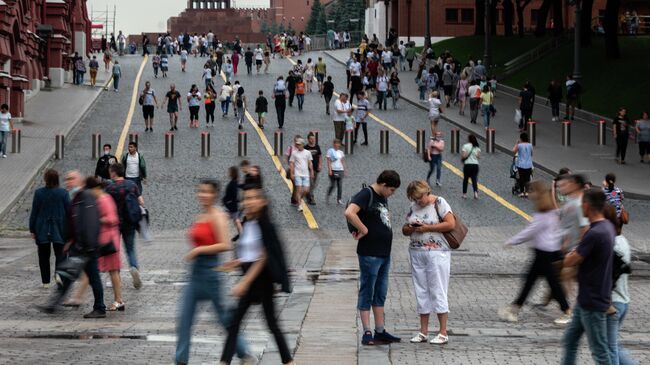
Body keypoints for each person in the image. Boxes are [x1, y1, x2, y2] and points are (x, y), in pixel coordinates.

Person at [176, 180, 255, 365]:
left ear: (215, 195)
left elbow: (226, 244)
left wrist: (198, 250)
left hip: (211, 274)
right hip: (195, 274)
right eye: (201, 192)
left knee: (225, 318)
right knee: (184, 317)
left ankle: (244, 353)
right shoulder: (200, 216)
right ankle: (180, 360)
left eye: (207, 192)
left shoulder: (218, 216)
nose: (203, 195)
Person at [219, 187, 293, 365]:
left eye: (253, 198)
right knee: (235, 323)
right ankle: (224, 362)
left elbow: (264, 255)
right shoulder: (247, 223)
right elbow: (252, 254)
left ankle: (289, 362)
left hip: (262, 281)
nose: (249, 201)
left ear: (262, 202)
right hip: (252, 281)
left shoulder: (265, 225)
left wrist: (244, 282)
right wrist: (237, 262)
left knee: (271, 325)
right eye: (246, 198)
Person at [498, 180, 571, 324]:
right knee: (531, 281)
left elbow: (529, 232)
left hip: (544, 253)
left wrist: (511, 241)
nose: (529, 194)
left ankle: (567, 311)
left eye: (531, 191)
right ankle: (515, 308)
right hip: (546, 252)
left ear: (537, 193)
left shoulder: (543, 215)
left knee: (551, 283)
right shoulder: (552, 211)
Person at [344, 170, 402, 346]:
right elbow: (349, 212)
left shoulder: (382, 196)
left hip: (384, 253)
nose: (392, 194)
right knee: (367, 291)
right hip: (370, 253)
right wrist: (364, 230)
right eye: (391, 190)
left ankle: (380, 330)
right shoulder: (366, 194)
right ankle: (367, 331)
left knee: (380, 293)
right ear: (383, 185)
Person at [37, 171, 106, 319]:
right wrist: (69, 240)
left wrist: (86, 245)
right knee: (68, 276)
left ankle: (100, 308)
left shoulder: (86, 196)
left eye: (71, 179)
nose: (68, 182)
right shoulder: (77, 197)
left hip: (87, 247)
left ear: (79, 181)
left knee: (92, 278)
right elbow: (74, 221)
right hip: (78, 245)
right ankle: (53, 304)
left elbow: (90, 222)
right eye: (66, 179)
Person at [561, 188, 616, 365]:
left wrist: (571, 251)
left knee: (600, 353)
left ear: (586, 206)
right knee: (570, 340)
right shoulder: (607, 227)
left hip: (592, 302)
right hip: (587, 299)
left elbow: (569, 261)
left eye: (581, 204)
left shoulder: (594, 234)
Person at [402, 181, 455, 345]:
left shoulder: (439, 202)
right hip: (417, 251)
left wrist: (428, 228)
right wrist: (410, 228)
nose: (418, 201)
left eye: (420, 198)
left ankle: (443, 332)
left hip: (437, 252)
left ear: (426, 192)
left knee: (438, 288)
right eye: (414, 198)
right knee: (421, 291)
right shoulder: (414, 206)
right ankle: (423, 331)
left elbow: (450, 224)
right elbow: (404, 229)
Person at [65, 177, 125, 312]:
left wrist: (96, 219)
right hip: (100, 241)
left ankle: (118, 300)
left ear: (95, 189)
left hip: (108, 242)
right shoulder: (99, 199)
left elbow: (113, 219)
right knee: (92, 270)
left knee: (111, 271)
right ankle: (78, 297)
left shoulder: (105, 199)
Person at [604, 206, 636, 365]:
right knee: (613, 345)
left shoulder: (612, 246)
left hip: (613, 303)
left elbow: (608, 277)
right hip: (623, 301)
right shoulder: (623, 241)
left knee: (609, 348)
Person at [105, 164, 144, 290]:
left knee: (114, 251)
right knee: (130, 248)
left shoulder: (109, 187)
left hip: (114, 224)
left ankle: (116, 278)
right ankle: (133, 267)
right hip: (130, 222)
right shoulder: (132, 185)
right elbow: (141, 202)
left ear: (114, 173)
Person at [29, 169, 70, 287]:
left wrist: (32, 229)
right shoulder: (63, 193)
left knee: (43, 256)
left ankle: (45, 281)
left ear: (45, 179)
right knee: (60, 254)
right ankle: (59, 274)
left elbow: (34, 212)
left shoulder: (39, 193)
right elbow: (68, 212)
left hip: (42, 227)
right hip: (59, 227)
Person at [289, 138, 314, 212]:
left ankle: (299, 198)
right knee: (299, 189)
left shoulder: (307, 153)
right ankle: (300, 205)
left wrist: (311, 171)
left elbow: (310, 163)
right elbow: (292, 163)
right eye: (297, 144)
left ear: (303, 144)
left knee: (306, 190)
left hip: (306, 174)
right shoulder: (294, 153)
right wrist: (292, 173)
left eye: (299, 144)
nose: (298, 145)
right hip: (298, 174)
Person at [222, 167, 242, 237]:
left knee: (235, 221)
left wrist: (227, 201)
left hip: (231, 206)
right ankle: (242, 235)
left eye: (229, 172)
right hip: (232, 206)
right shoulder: (235, 182)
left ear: (232, 173)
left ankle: (242, 235)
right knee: (236, 221)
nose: (228, 173)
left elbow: (233, 195)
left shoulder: (232, 183)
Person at [513, 132, 534, 198]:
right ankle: (527, 192)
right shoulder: (530, 145)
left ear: (521, 138)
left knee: (521, 178)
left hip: (521, 164)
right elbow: (531, 154)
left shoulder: (519, 145)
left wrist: (517, 143)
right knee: (527, 178)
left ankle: (522, 192)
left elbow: (513, 151)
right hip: (528, 164)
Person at [326, 139, 346, 204]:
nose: (337, 145)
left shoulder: (341, 152)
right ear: (333, 144)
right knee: (333, 185)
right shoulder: (330, 151)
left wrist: (344, 170)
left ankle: (339, 199)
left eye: (338, 144)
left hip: (340, 170)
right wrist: (329, 170)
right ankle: (328, 195)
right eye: (336, 144)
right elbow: (328, 161)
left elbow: (342, 161)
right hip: (333, 170)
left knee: (340, 185)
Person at [304, 132, 322, 205]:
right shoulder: (306, 148)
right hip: (308, 168)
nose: (312, 140)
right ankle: (311, 197)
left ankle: (308, 195)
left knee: (314, 183)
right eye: (311, 139)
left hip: (316, 168)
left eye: (313, 139)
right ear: (308, 139)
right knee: (310, 183)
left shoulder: (317, 147)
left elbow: (320, 156)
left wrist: (320, 165)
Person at [461, 134, 481, 199]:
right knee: (474, 179)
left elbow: (464, 156)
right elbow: (478, 156)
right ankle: (475, 193)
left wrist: (465, 156)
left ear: (469, 139)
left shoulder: (465, 146)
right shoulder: (477, 147)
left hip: (467, 165)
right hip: (475, 165)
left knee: (465, 179)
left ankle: (464, 194)